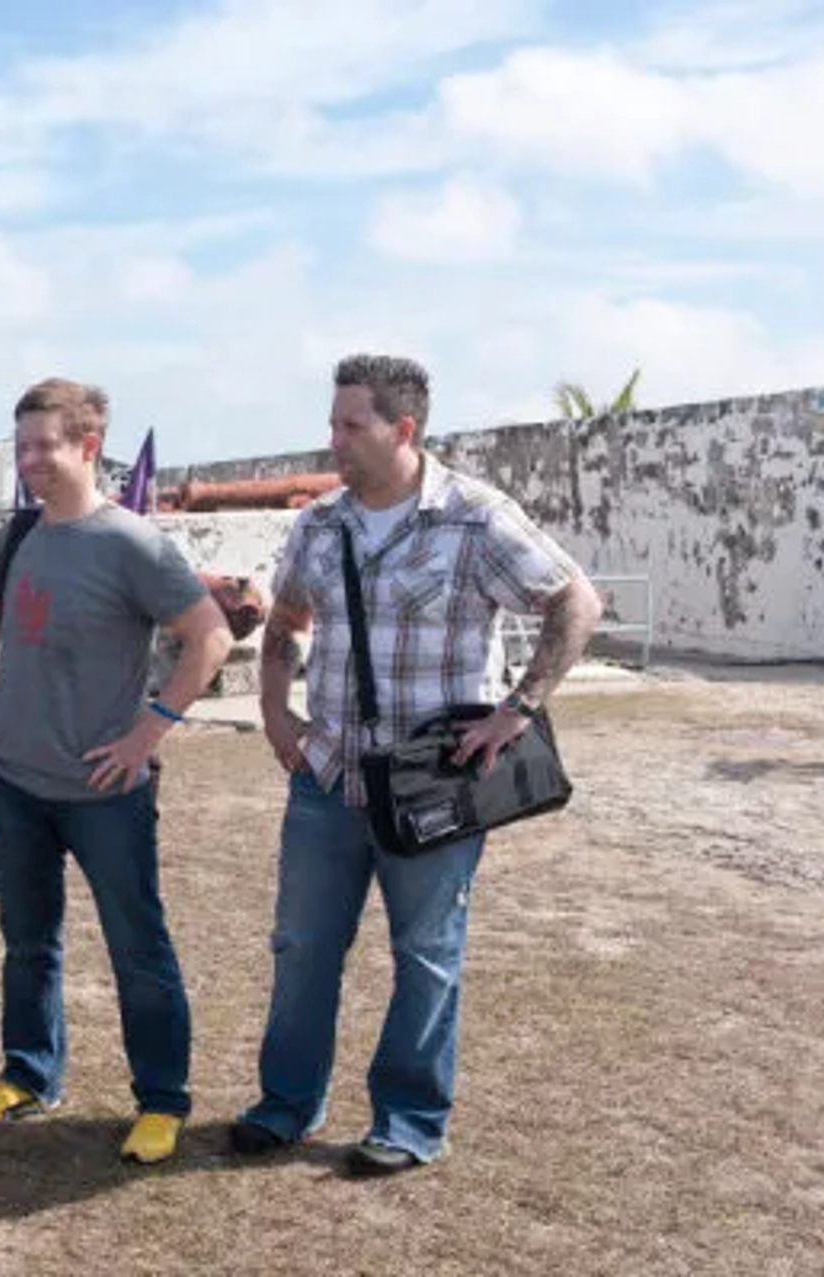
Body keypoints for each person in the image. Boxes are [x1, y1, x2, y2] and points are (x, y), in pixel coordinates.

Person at [229, 354, 603, 1176]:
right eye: (331, 422)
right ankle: (286, 1104)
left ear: (403, 429)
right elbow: (287, 619)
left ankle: (408, 1119)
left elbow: (577, 600)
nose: (334, 441)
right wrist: (273, 710)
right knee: (301, 947)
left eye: (350, 425)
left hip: (433, 787)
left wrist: (521, 707)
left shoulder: (474, 518)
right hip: (328, 778)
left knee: (427, 954)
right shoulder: (321, 523)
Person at [0, 378, 233, 1165]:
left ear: (88, 446)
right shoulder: (23, 531)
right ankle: (29, 1074)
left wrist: (149, 730)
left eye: (45, 445)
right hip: (15, 783)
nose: (28, 460)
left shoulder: (132, 541)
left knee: (139, 947)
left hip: (105, 790)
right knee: (28, 941)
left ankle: (162, 1099)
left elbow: (211, 637)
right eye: (20, 444)